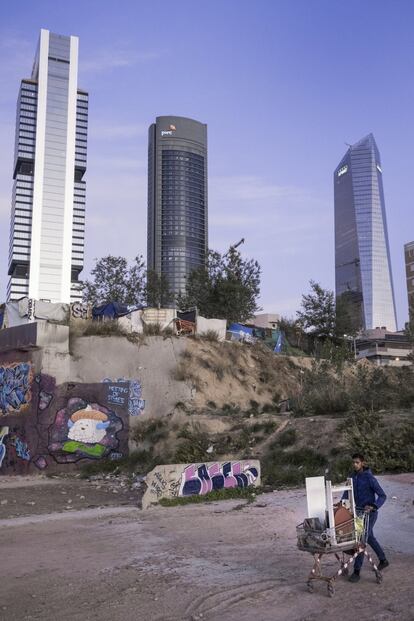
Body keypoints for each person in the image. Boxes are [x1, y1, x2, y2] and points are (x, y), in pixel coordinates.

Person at [345, 452, 389, 583]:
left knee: (362, 539)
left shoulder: (369, 478)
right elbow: (347, 493)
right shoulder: (352, 477)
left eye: (357, 462)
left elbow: (382, 495)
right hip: (358, 514)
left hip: (370, 513)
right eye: (353, 462)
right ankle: (383, 559)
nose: (355, 464)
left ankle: (357, 572)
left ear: (363, 463)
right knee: (368, 537)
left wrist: (374, 506)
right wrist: (341, 504)